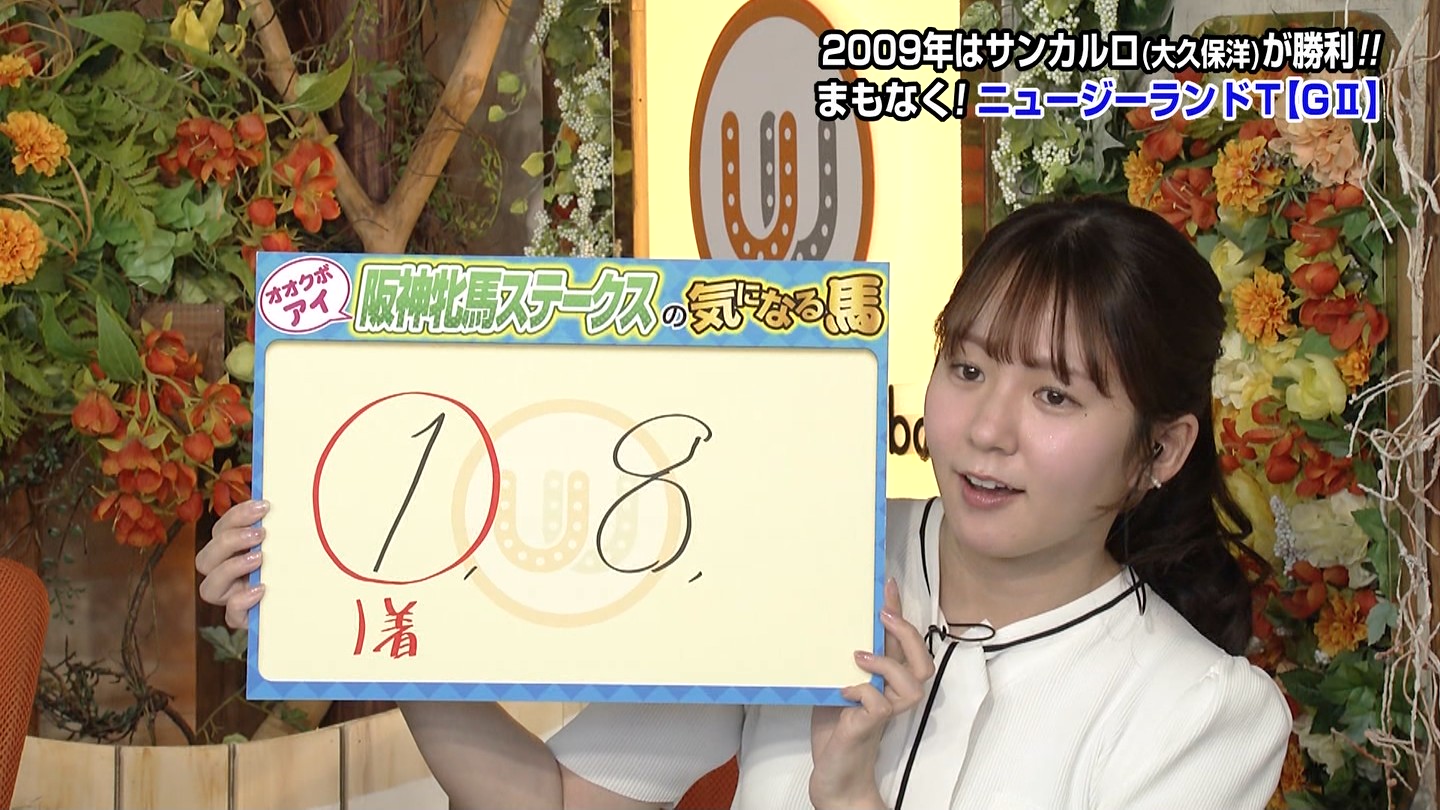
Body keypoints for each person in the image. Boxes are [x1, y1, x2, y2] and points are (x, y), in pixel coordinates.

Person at [198, 196, 1292, 809]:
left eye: (1055, 396)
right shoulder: (807, 540)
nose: (987, 428)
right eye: (967, 368)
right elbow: (560, 802)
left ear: (1160, 449)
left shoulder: (1202, 717)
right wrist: (368, 623)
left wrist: (847, 791)